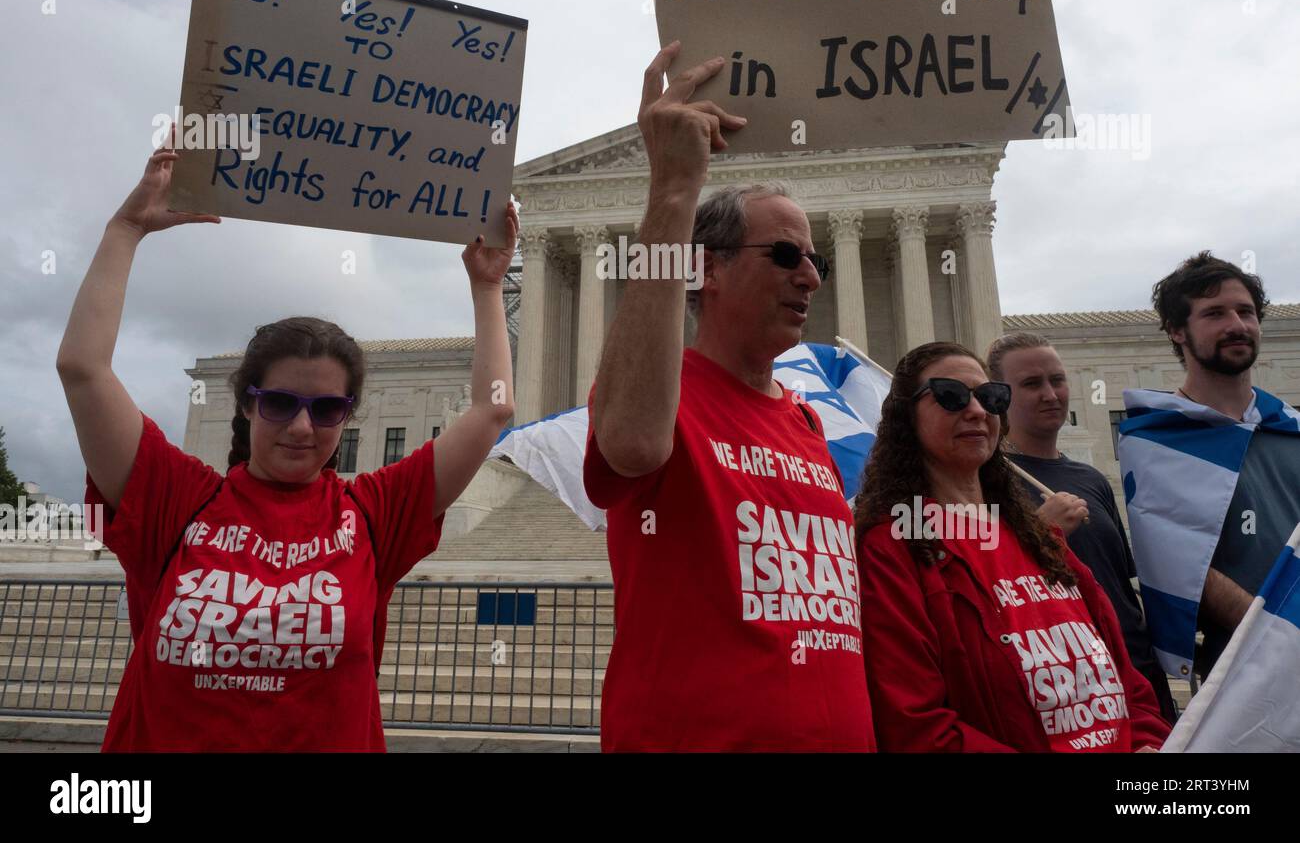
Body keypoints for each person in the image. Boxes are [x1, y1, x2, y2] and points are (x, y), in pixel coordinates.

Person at [56, 142, 518, 752]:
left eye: (328, 410)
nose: (302, 426)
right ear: (247, 406)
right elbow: (83, 367)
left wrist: (488, 288)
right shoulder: (177, 500)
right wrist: (125, 230)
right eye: (280, 404)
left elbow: (491, 409)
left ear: (349, 415)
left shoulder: (374, 514)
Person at [583, 41, 874, 752]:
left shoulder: (806, 423)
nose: (810, 276)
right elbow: (629, 442)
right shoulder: (660, 400)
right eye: (784, 255)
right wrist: (674, 190)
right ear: (704, 270)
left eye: (816, 258)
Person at [855, 342, 1170, 753]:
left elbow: (1127, 679)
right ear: (906, 417)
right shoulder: (893, 545)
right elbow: (915, 725)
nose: (976, 410)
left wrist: (1148, 741)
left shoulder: (1038, 537)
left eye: (990, 397)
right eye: (951, 395)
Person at [1119, 251, 1300, 681]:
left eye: (1246, 312)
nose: (1236, 325)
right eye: (1215, 314)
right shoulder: (1158, 441)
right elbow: (1182, 567)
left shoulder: (1289, 427)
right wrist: (1284, 636)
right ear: (1177, 331)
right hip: (1245, 672)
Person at [989, 332, 1176, 722]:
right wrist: (1042, 532)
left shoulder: (1091, 478)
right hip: (1068, 685)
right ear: (1000, 397)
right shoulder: (987, 482)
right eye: (1031, 384)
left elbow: (1122, 585)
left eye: (1056, 380)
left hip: (1137, 672)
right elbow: (991, 584)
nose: (1050, 394)